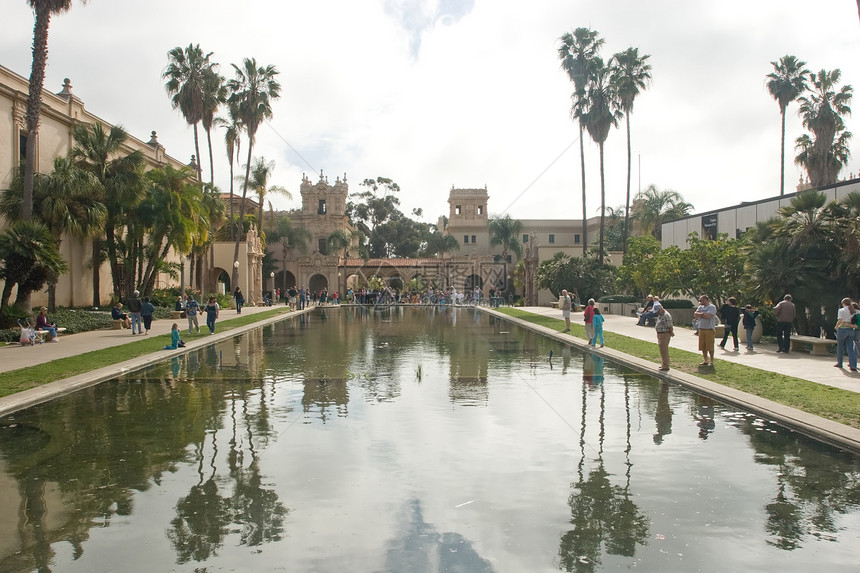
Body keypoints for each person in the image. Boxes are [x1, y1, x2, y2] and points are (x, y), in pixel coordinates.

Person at [834, 297, 858, 371]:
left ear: (843, 303)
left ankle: (840, 363)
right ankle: (853, 365)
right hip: (850, 329)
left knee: (840, 347)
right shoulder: (853, 310)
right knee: (850, 348)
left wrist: (836, 326)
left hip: (842, 329)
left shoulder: (841, 310)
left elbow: (840, 320)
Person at [694, 294, 718, 366]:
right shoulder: (700, 307)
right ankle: (705, 360)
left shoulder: (712, 307)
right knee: (703, 346)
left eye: (701, 300)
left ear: (705, 300)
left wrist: (700, 314)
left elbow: (708, 316)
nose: (700, 301)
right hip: (701, 328)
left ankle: (711, 361)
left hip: (709, 329)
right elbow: (695, 314)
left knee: (710, 346)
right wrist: (703, 314)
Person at [654, 305, 675, 370]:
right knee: (662, 350)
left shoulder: (666, 315)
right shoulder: (661, 315)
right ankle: (664, 364)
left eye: (657, 311)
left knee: (664, 350)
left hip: (664, 334)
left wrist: (671, 333)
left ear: (660, 309)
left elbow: (669, 326)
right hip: (660, 334)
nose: (656, 313)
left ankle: (666, 365)